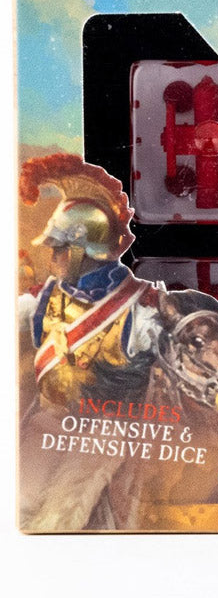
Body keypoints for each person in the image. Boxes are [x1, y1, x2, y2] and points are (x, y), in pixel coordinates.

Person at [18, 154, 160, 411]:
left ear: (80, 250)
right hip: (46, 424)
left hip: (112, 430)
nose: (52, 258)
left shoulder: (140, 310)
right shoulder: (44, 297)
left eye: (58, 248)